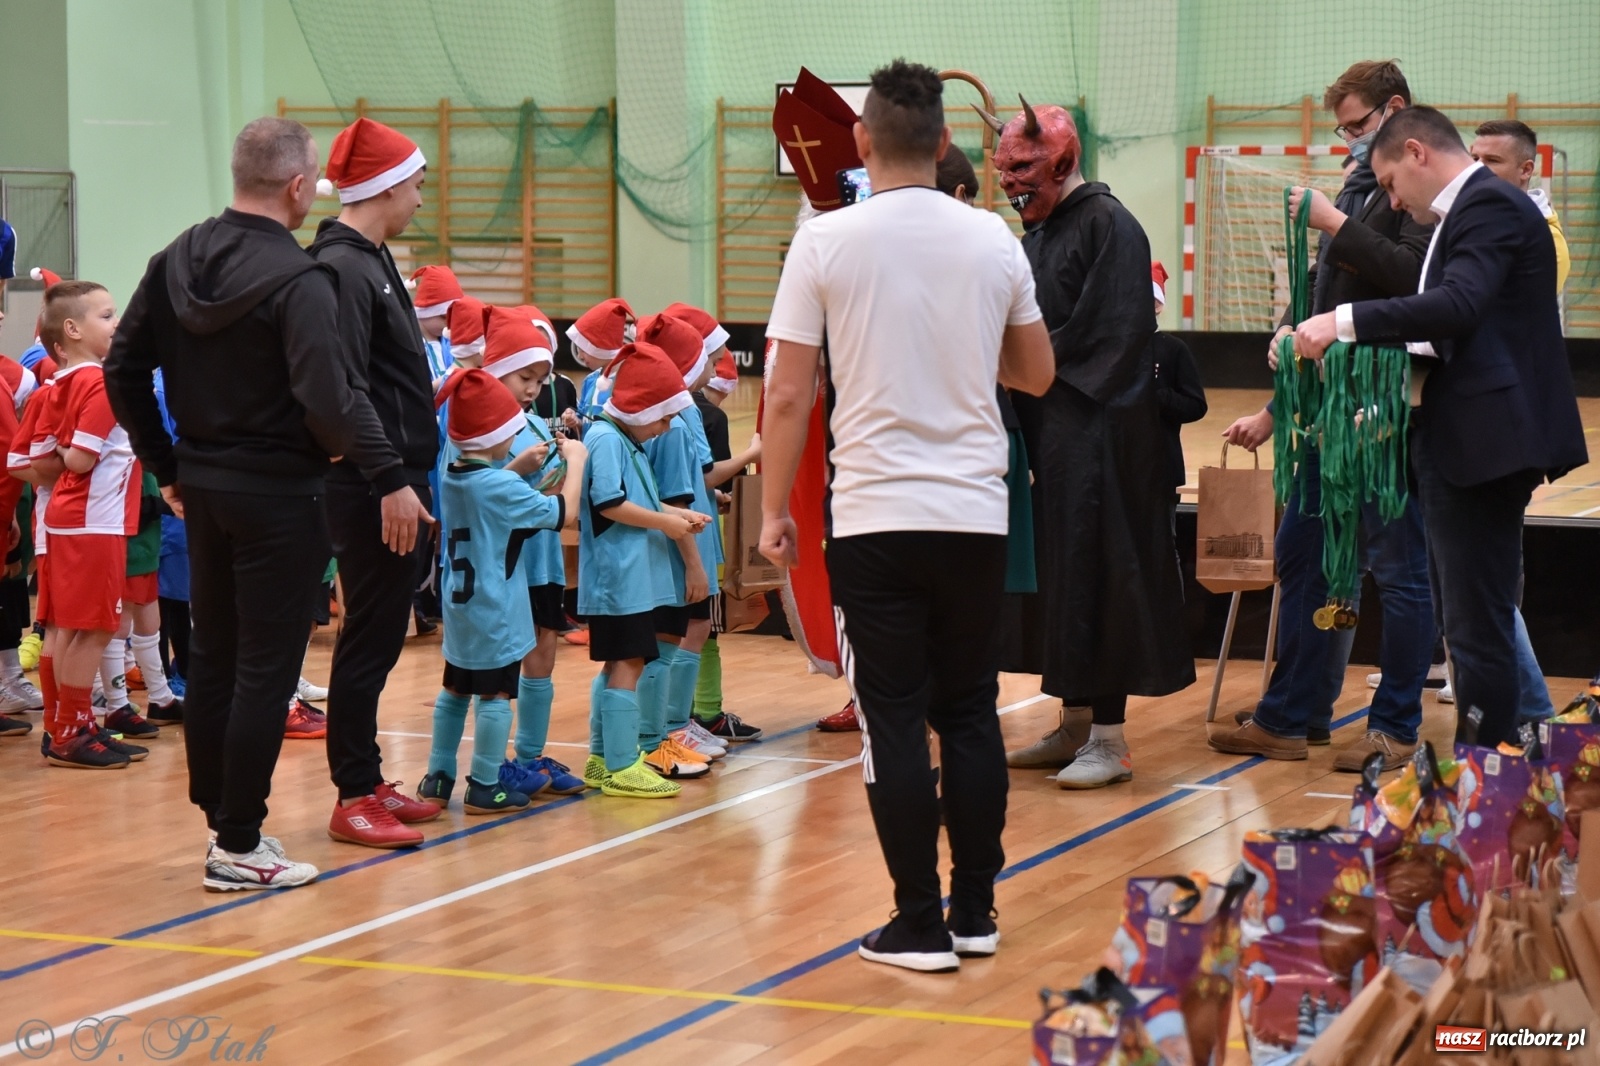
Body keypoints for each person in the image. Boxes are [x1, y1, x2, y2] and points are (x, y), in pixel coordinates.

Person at [762, 59, 1054, 973]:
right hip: (973, 512)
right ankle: (975, 913)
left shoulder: (824, 242)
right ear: (941, 143)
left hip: (875, 518)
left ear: (859, 141)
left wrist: (773, 511)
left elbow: (785, 394)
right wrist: (968, 352)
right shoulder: (994, 241)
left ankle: (916, 923)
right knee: (968, 710)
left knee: (893, 717)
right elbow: (1038, 375)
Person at [106, 117, 406, 887]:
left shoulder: (175, 258)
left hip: (203, 489)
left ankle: (224, 822)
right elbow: (330, 399)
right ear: (300, 185)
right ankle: (238, 843)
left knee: (216, 658)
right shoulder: (300, 280)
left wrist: (166, 461)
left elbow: (124, 368)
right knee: (265, 671)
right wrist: (385, 472)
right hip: (279, 494)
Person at [1292, 106, 1588, 749]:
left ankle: (1486, 782)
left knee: (1476, 627)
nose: (1391, 201)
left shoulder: (1489, 207)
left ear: (1418, 153)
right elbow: (1441, 339)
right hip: (1462, 438)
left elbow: (1459, 307)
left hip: (1487, 445)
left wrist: (1340, 322)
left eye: (1391, 182)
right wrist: (1385, 401)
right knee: (1471, 623)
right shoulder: (1467, 213)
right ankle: (1492, 777)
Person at [1210, 59, 1437, 772]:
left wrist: (1336, 222)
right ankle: (1293, 713)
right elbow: (1325, 286)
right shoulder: (1364, 186)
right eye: (1342, 131)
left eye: (1357, 127)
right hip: (1330, 417)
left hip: (1390, 408)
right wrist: (1288, 340)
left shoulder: (1419, 196)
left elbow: (1409, 282)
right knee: (1308, 559)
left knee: (1397, 572)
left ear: (1395, 112)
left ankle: (1394, 725)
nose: (1347, 142)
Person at [978, 93, 1193, 789]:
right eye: (1004, 173)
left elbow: (1113, 336)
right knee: (1061, 578)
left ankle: (1109, 738)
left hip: (1103, 439)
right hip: (1052, 434)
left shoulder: (1110, 224)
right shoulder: (1039, 230)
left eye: (1023, 173)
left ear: (1063, 161)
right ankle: (1072, 724)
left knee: (1102, 577)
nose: (1011, 187)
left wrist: (1024, 370)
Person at [310, 116, 444, 850]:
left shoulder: (373, 256)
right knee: (367, 636)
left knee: (385, 633)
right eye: (417, 185)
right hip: (374, 483)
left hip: (398, 475)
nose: (421, 199)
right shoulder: (342, 267)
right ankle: (352, 793)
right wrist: (389, 477)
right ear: (388, 186)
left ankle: (367, 777)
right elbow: (343, 389)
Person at [415, 367, 586, 814]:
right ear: (498, 436)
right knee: (495, 696)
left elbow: (489, 493)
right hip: (496, 606)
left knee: (454, 690)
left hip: (459, 606)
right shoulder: (501, 485)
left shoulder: (455, 475)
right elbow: (561, 513)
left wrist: (514, 469)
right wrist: (579, 460)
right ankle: (485, 783)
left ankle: (437, 777)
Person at [578, 340, 710, 798]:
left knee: (619, 665)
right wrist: (669, 524)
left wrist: (678, 515)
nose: (668, 425)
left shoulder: (623, 439)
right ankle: (620, 765)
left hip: (630, 577)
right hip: (618, 579)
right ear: (640, 406)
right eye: (664, 415)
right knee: (627, 665)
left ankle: (600, 760)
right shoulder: (606, 438)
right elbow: (609, 503)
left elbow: (634, 499)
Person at [471, 304, 588, 798]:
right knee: (497, 666)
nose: (533, 389)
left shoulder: (541, 425)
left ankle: (531, 756)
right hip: (502, 565)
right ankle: (490, 766)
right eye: (524, 376)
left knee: (543, 654)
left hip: (541, 561)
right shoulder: (479, 430)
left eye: (540, 380)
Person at [35, 280, 151, 770]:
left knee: (73, 627)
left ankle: (71, 724)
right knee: (96, 629)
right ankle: (71, 730)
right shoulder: (100, 381)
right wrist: (68, 452)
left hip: (73, 518)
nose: (117, 322)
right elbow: (81, 459)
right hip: (92, 519)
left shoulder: (63, 381)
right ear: (73, 329)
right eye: (106, 315)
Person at [1148, 262, 1206, 532]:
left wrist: (1160, 397)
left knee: (1161, 546)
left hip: (1160, 470)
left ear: (1158, 305)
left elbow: (1195, 405)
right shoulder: (1112, 348)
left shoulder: (1173, 350)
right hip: (1115, 469)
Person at [566, 297, 634, 433]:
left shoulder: (628, 381)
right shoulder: (590, 381)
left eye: (584, 349)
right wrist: (575, 421)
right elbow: (584, 423)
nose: (579, 356)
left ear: (601, 347)